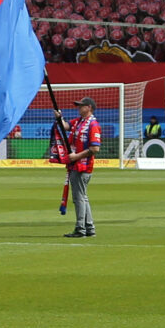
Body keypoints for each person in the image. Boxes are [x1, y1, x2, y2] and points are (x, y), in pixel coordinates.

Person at [60, 95, 102, 237]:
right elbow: (65, 126)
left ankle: (80, 228)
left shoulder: (93, 125)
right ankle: (89, 228)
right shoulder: (79, 122)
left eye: (81, 105)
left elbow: (95, 148)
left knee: (79, 198)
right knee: (83, 197)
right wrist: (59, 117)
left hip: (83, 166)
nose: (78, 108)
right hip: (76, 165)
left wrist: (76, 156)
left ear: (89, 107)